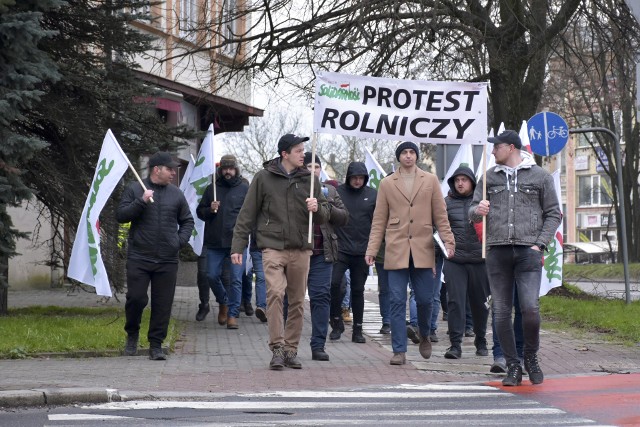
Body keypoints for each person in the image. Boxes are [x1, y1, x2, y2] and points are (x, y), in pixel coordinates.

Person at [470, 130, 561, 386]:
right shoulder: (488, 178)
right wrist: (477, 210)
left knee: (530, 309)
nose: (492, 152)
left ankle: (530, 356)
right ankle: (512, 365)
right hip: (497, 251)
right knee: (500, 312)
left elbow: (553, 213)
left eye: (496, 147)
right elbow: (472, 213)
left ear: (511, 147)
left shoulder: (540, 176)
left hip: (528, 252)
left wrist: (539, 244)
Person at [230, 134, 330, 370]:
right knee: (275, 294)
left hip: (301, 248)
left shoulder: (310, 180)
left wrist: (318, 208)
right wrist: (238, 246)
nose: (303, 154)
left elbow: (326, 215)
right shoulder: (263, 178)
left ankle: (290, 350)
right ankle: (276, 347)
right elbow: (247, 214)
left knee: (296, 301)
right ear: (284, 154)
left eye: (303, 150)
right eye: (298, 150)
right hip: (272, 246)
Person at [366, 141, 455, 366]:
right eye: (404, 153)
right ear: (399, 157)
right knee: (396, 299)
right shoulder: (387, 184)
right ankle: (399, 350)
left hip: (423, 248)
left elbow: (440, 215)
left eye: (411, 152)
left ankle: (424, 334)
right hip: (395, 249)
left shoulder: (430, 180)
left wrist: (448, 241)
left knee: (425, 299)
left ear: (416, 156)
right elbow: (379, 220)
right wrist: (372, 249)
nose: (408, 156)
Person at [117, 151, 194, 360]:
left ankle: (156, 345)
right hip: (139, 256)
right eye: (169, 169)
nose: (173, 173)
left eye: (174, 170)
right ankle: (132, 335)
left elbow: (188, 221)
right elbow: (121, 215)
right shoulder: (135, 189)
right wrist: (141, 201)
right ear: (156, 169)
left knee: (163, 303)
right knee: (136, 298)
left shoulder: (176, 194)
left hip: (167, 259)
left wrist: (178, 242)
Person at [303, 152, 349, 361]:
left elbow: (344, 217)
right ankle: (287, 343)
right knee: (291, 299)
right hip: (298, 251)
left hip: (322, 253)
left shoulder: (329, 190)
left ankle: (318, 345)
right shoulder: (294, 189)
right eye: (309, 166)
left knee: (321, 297)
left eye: (316, 167)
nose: (313, 170)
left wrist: (326, 205)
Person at [442, 166, 490, 360]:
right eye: (457, 180)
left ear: (472, 182)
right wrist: (443, 249)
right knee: (455, 302)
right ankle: (455, 344)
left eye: (464, 179)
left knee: (480, 304)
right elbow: (437, 228)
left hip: (480, 261)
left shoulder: (483, 204)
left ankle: (481, 339)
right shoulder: (445, 203)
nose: (460, 183)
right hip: (455, 261)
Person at [197, 154, 249, 329]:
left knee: (236, 279)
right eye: (225, 168)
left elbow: (251, 213)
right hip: (214, 242)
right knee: (210, 275)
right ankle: (224, 302)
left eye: (231, 168)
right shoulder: (212, 187)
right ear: (220, 170)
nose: (228, 172)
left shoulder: (244, 187)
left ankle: (232, 315)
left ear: (236, 169)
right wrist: (210, 209)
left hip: (237, 242)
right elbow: (200, 212)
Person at [329, 161, 377, 343]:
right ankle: (335, 320)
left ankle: (358, 329)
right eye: (354, 178)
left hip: (362, 250)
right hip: (340, 248)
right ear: (348, 178)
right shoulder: (338, 193)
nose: (357, 181)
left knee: (358, 290)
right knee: (333, 284)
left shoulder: (372, 195)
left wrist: (373, 248)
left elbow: (377, 223)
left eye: (361, 178)